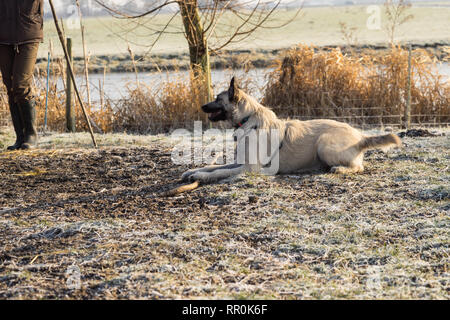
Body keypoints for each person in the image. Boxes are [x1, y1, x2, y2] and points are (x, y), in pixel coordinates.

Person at [0, 0, 44, 150]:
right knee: (10, 86)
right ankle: (20, 137)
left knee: (20, 84)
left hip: (28, 30)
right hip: (3, 32)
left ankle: (31, 135)